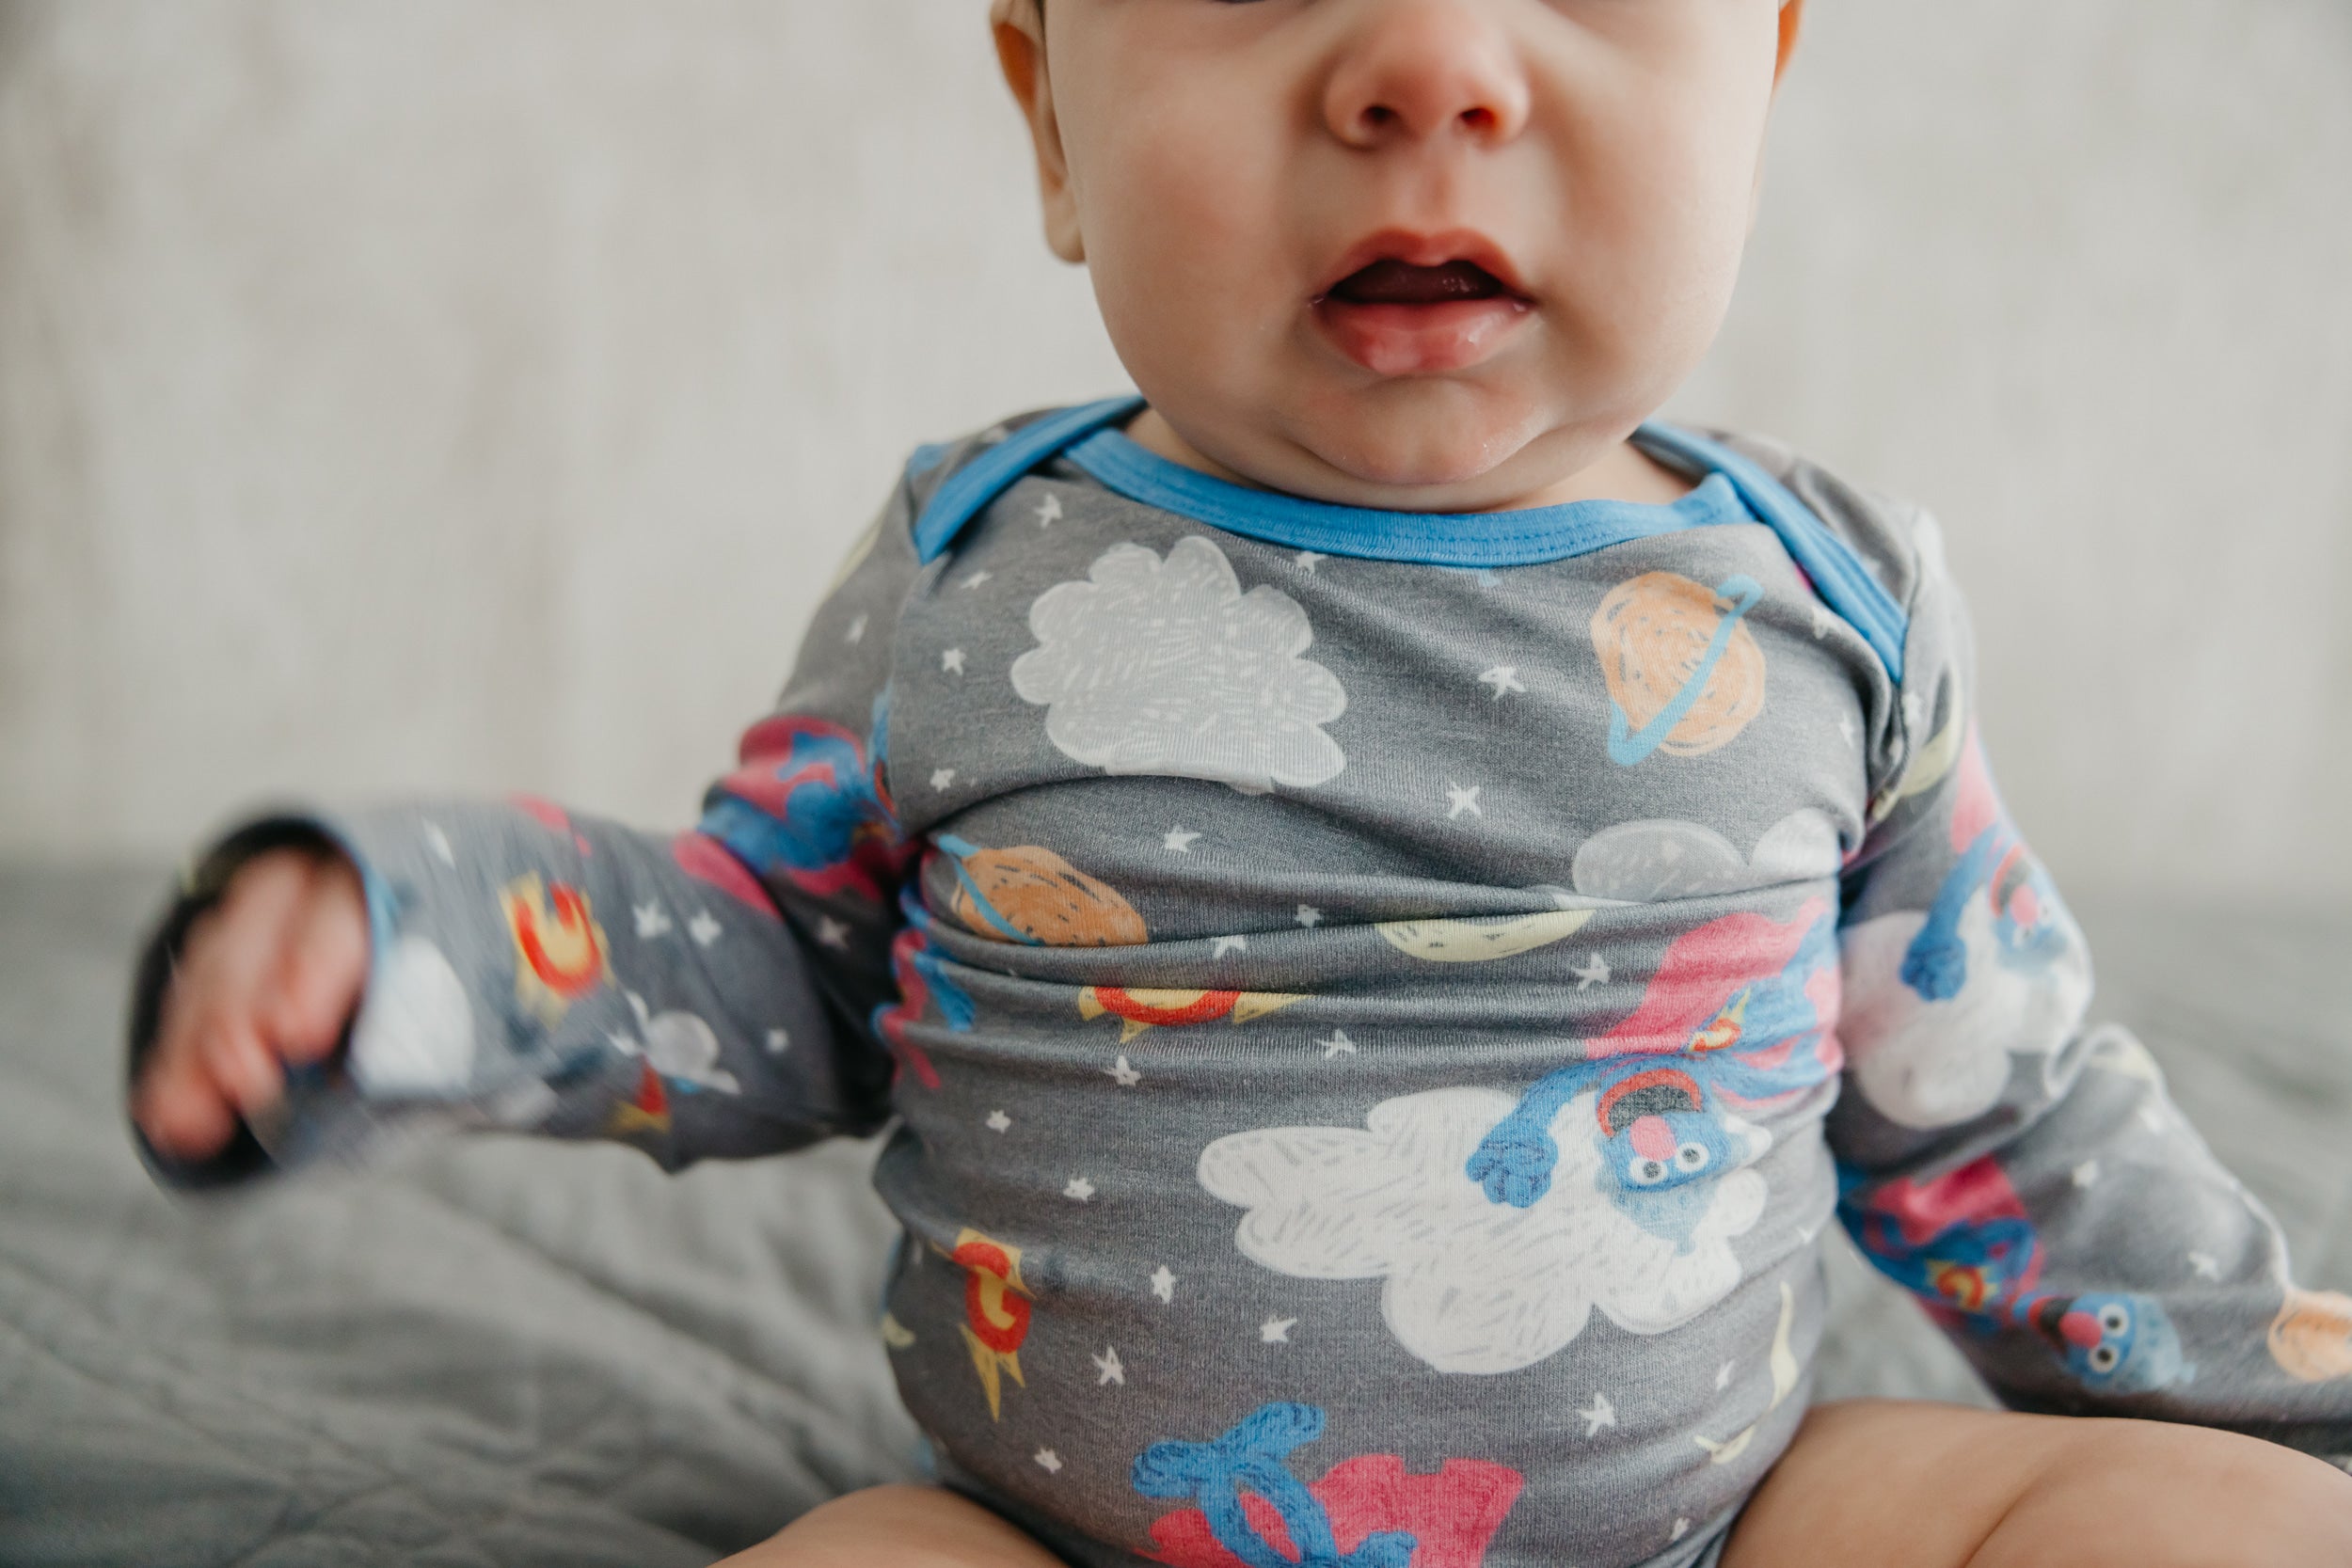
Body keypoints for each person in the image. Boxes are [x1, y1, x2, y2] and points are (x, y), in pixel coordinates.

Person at [127, 3, 2352, 1564]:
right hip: (1053, 1542)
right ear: (1049, 122)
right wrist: (404, 939)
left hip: (1713, 1528)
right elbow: (763, 965)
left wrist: (2281, 1401)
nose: (1428, 68)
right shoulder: (977, 580)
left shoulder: (1824, 607)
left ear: (1754, 74)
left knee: (2207, 1530)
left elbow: (2002, 1113)